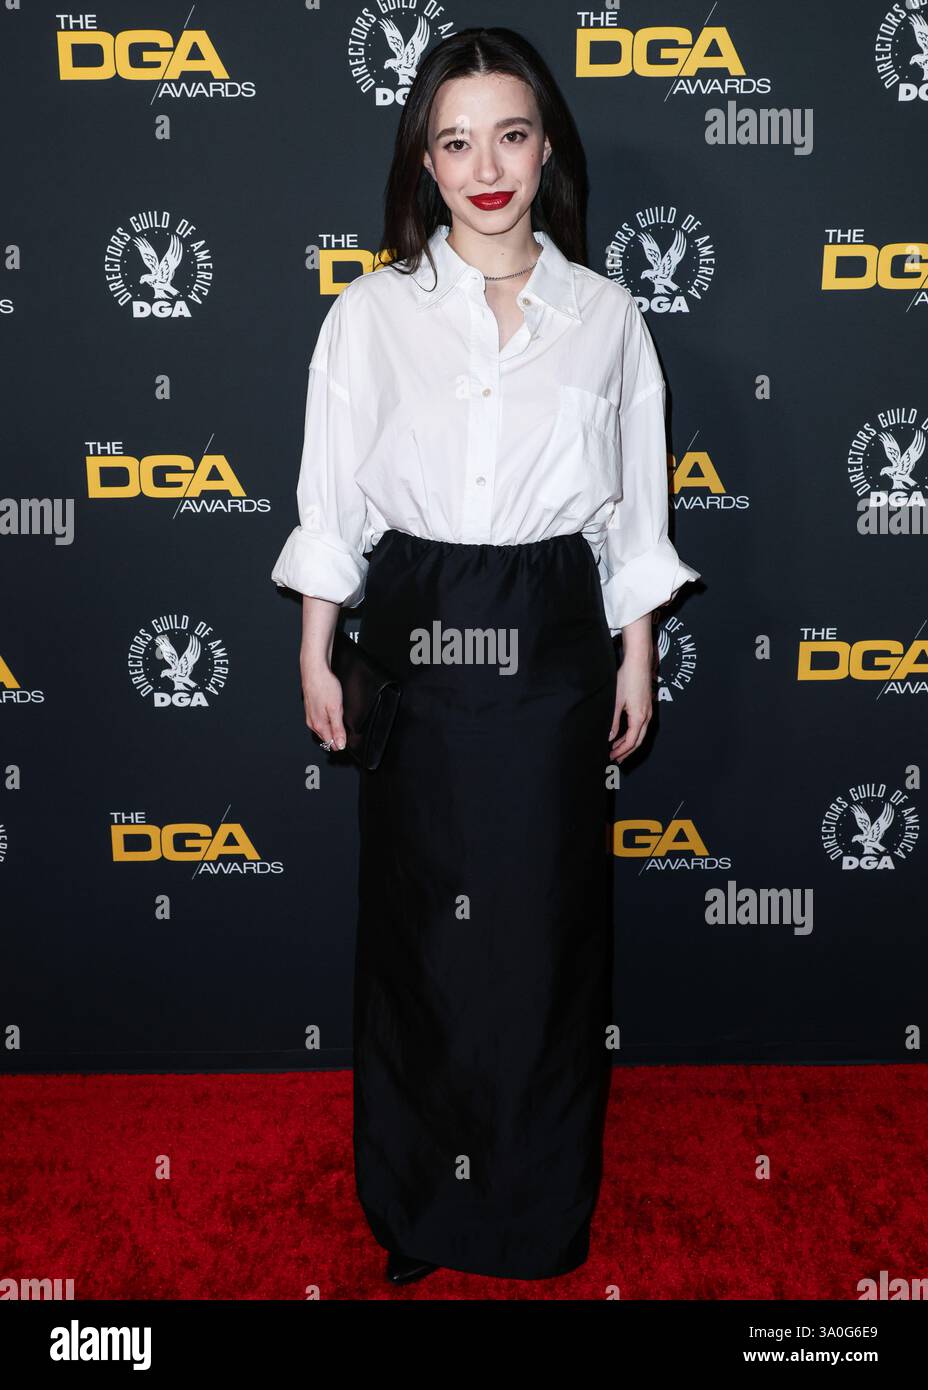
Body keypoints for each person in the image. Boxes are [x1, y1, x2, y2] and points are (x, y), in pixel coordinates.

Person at [271, 26, 700, 1285]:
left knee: (546, 939)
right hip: (414, 635)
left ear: (546, 143)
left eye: (509, 133)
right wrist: (315, 651)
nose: (486, 165)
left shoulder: (608, 316)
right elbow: (332, 501)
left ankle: (534, 1210)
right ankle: (417, 1208)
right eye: (454, 141)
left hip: (554, 644)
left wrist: (636, 659)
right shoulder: (372, 314)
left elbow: (630, 512)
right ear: (424, 162)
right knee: (417, 938)